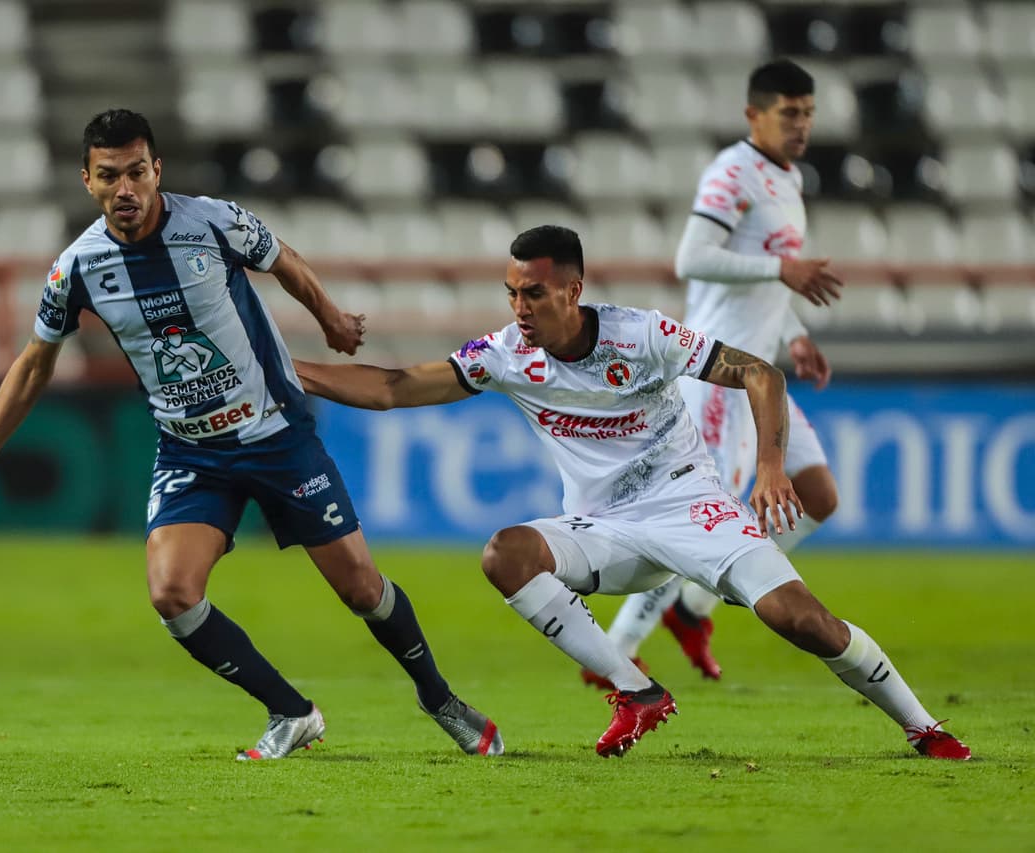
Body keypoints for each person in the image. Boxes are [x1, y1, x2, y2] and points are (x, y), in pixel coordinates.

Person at [0, 109, 502, 760]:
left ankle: (439, 696)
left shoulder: (213, 222)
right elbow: (33, 365)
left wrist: (328, 315)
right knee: (172, 594)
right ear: (87, 181)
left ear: (157, 169)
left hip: (277, 433)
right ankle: (291, 711)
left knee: (361, 586)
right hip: (190, 450)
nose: (125, 188)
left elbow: (284, 259)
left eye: (137, 171)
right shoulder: (77, 268)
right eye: (110, 176)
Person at [294, 225, 969, 760]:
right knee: (506, 553)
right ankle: (637, 689)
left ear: (573, 289)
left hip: (689, 507)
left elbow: (761, 374)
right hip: (602, 528)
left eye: (532, 294)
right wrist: (290, 370)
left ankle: (923, 726)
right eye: (510, 293)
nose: (518, 309)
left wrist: (769, 467)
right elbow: (391, 387)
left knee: (802, 621)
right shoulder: (503, 353)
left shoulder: (641, 334)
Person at [594, 58, 845, 688]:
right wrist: (782, 273)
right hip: (719, 377)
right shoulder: (734, 172)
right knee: (698, 520)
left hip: (763, 374)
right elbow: (693, 258)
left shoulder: (787, 180)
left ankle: (692, 608)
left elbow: (765, 273)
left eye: (808, 112)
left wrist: (796, 335)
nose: (801, 125)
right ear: (753, 115)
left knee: (817, 496)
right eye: (789, 113)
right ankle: (614, 653)